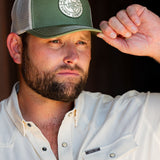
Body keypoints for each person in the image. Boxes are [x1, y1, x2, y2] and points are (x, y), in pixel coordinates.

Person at [1, 0, 160, 159]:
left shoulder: (133, 118)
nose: (73, 57)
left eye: (81, 42)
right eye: (56, 41)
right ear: (17, 48)